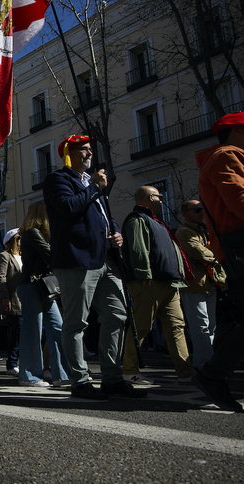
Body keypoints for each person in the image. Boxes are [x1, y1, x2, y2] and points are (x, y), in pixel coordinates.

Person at [43, 135, 146, 400]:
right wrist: (95, 189)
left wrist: (115, 234)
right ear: (70, 153)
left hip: (105, 260)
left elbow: (104, 217)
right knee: (76, 323)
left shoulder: (92, 184)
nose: (90, 153)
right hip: (77, 261)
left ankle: (112, 379)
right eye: (84, 150)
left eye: (90, 150)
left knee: (117, 315)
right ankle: (80, 381)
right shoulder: (59, 180)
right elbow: (68, 208)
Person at [193, 112, 244, 412]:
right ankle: (213, 374)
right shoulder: (226, 156)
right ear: (237, 131)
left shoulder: (229, 156)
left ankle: (213, 375)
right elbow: (239, 200)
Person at [120, 186, 196, 384]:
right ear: (148, 198)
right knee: (142, 328)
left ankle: (186, 372)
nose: (162, 200)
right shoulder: (137, 220)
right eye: (159, 197)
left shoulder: (155, 222)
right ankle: (129, 370)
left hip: (169, 283)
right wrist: (144, 275)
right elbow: (138, 249)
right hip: (149, 283)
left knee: (176, 327)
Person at [16, 202, 69, 387]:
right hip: (32, 286)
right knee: (33, 331)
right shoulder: (31, 234)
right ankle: (29, 376)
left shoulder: (37, 235)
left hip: (42, 287)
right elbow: (50, 255)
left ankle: (62, 374)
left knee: (58, 328)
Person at [175, 199, 225, 370]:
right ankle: (204, 363)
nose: (201, 213)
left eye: (202, 209)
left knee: (210, 325)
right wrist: (217, 254)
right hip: (194, 284)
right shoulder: (184, 232)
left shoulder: (204, 231)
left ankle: (207, 361)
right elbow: (201, 252)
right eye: (197, 210)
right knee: (200, 325)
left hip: (210, 282)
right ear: (185, 214)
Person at [0, 228, 22, 376]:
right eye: (19, 239)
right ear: (13, 241)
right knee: (22, 332)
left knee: (16, 335)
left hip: (25, 300)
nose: (21, 242)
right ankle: (23, 364)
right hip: (13, 300)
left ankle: (11, 364)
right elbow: (1, 278)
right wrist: (5, 297)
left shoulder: (24, 256)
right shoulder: (4, 256)